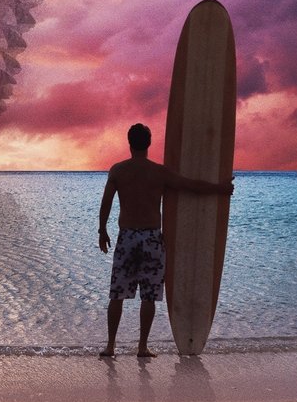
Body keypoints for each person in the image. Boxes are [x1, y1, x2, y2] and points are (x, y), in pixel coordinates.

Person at [98, 123, 232, 358]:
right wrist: (219, 189)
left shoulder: (118, 171)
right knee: (149, 295)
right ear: (148, 144)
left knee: (117, 294)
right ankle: (142, 347)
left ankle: (110, 346)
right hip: (151, 238)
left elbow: (106, 202)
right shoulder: (158, 172)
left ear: (129, 143)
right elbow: (191, 186)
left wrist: (102, 230)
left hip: (127, 236)